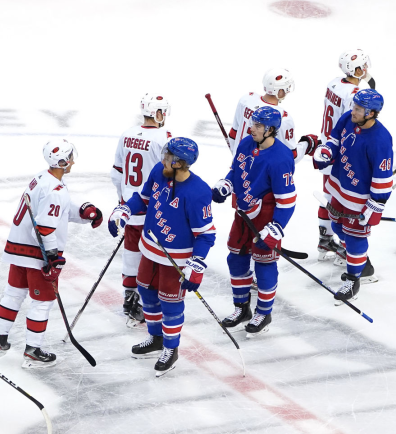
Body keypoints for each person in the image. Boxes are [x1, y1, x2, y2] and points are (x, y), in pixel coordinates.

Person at [108, 137, 215, 375]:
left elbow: (206, 234)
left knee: (171, 303)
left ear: (179, 163)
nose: (162, 160)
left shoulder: (198, 193)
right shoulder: (159, 172)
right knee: (145, 290)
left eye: (168, 157)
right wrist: (125, 209)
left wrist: (196, 265)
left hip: (175, 261)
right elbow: (144, 199)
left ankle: (170, 348)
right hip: (150, 249)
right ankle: (155, 338)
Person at [0, 139, 102, 366]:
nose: (73, 160)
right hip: (36, 253)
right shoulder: (56, 189)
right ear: (62, 161)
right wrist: (52, 257)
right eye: (69, 156)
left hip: (18, 247)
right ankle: (33, 350)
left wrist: (84, 211)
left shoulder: (43, 177)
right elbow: (42, 228)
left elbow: (55, 212)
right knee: (42, 302)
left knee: (13, 294)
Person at [212, 106, 296, 336]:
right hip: (243, 213)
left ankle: (264, 312)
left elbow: (287, 200)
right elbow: (236, 171)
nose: (252, 129)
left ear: (270, 130)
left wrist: (276, 227)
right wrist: (227, 184)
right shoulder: (247, 143)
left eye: (258, 126)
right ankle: (242, 309)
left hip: (266, 218)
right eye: (253, 124)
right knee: (235, 259)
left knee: (265, 263)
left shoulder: (281, 158)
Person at [313, 90, 394, 302]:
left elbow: (383, 175)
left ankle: (352, 280)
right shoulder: (348, 119)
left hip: (359, 199)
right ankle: (362, 265)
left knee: (356, 237)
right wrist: (327, 152)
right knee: (339, 228)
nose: (353, 111)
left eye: (359, 109)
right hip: (339, 186)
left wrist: (376, 204)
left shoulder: (381, 139)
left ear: (371, 113)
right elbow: (334, 139)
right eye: (354, 106)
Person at [111, 94, 172, 326]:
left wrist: (122, 203)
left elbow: (116, 172)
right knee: (151, 256)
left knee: (130, 255)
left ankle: (129, 298)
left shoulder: (127, 134)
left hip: (129, 207)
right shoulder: (163, 138)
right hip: (149, 208)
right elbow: (169, 176)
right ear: (158, 113)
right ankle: (144, 302)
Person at [316, 49, 376, 262]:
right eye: (363, 66)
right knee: (341, 200)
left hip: (326, 145)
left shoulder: (334, 83)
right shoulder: (353, 94)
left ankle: (325, 238)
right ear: (357, 69)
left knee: (329, 196)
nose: (367, 69)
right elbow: (353, 123)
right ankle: (345, 247)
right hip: (340, 150)